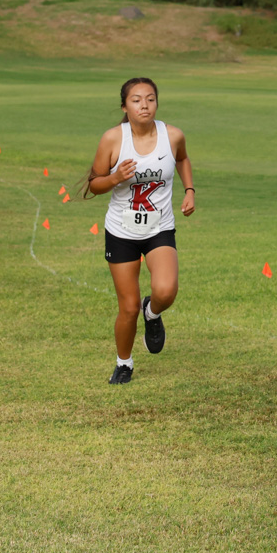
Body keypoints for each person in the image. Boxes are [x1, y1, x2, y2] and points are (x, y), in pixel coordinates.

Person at [82, 78, 196, 385]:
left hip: (159, 227)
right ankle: (124, 363)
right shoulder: (112, 139)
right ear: (124, 106)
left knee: (165, 291)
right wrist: (116, 177)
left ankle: (154, 313)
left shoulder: (172, 135)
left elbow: (183, 159)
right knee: (128, 307)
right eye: (136, 100)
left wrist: (189, 190)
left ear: (157, 103)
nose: (144, 105)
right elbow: (94, 184)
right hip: (121, 230)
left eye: (150, 99)